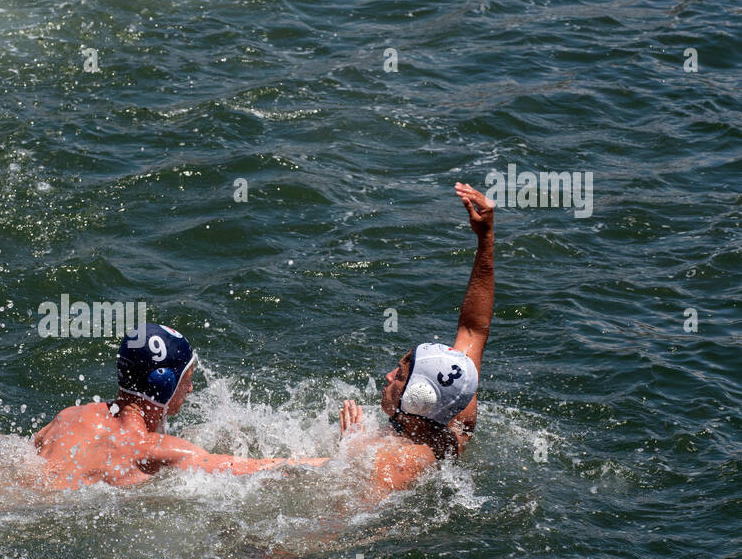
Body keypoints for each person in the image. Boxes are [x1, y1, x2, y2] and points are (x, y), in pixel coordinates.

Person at [336, 182, 495, 496]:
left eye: (401, 376)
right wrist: (486, 238)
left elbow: (341, 523)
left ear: (416, 398)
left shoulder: (398, 464)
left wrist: (348, 456)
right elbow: (473, 328)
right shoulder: (455, 403)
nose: (389, 375)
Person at [33, 322, 323, 488]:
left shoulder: (72, 416)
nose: (191, 388)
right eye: (187, 379)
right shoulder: (153, 450)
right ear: (164, 385)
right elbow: (256, 469)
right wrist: (345, 459)